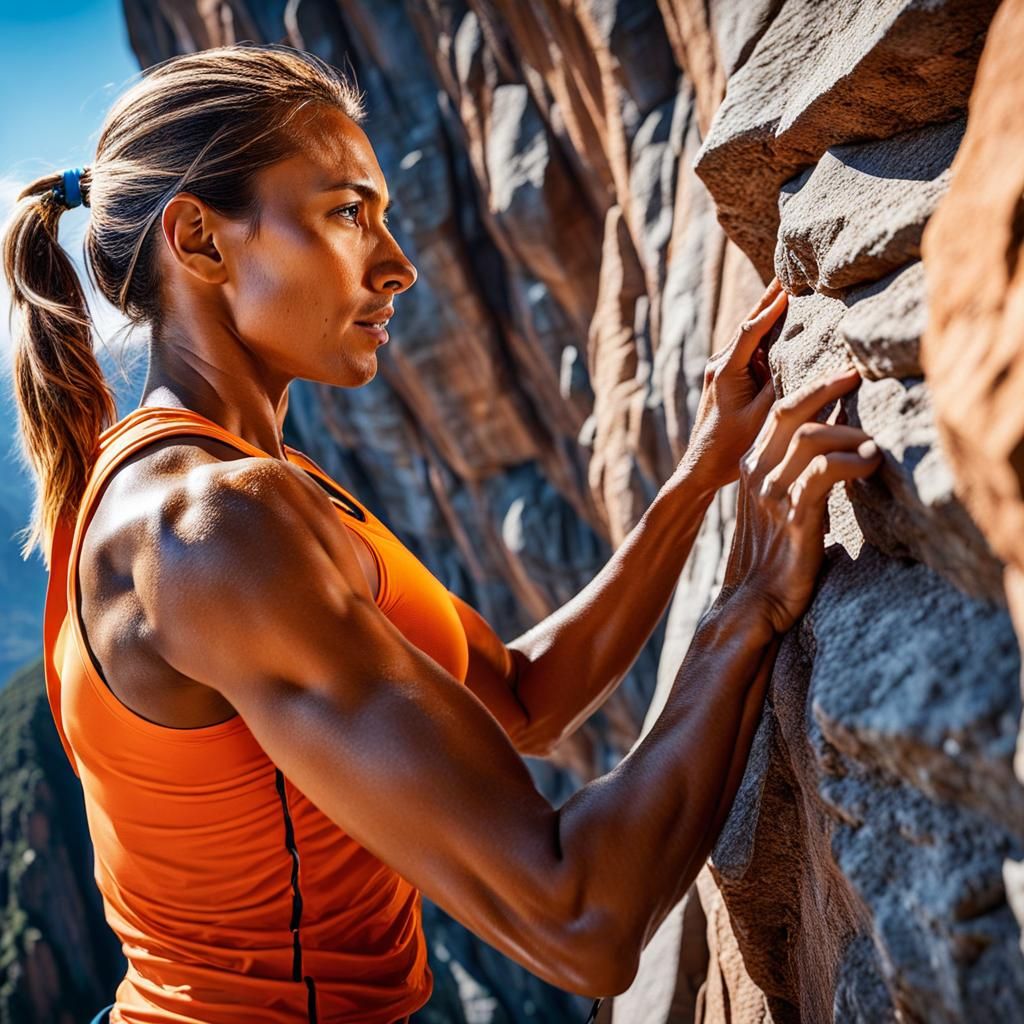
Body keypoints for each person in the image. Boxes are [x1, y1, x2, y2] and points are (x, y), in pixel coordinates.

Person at [2, 42, 882, 1024]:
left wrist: (699, 475)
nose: (398, 264)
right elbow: (579, 919)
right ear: (199, 240)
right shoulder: (212, 529)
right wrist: (745, 606)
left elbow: (522, 700)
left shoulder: (216, 480)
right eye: (347, 213)